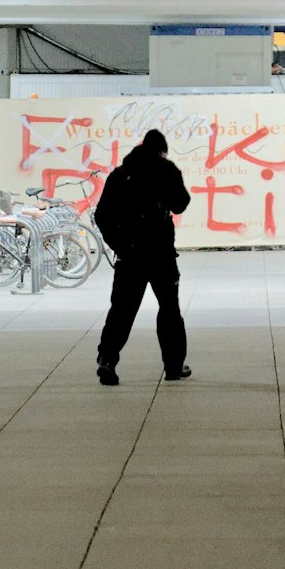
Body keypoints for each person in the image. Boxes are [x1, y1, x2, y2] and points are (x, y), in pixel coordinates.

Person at [93, 129, 192, 386]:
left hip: (130, 255)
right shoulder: (167, 170)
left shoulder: (119, 175)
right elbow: (181, 203)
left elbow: (102, 215)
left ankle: (107, 359)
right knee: (169, 309)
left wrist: (119, 243)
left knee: (122, 311)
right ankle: (173, 365)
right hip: (160, 254)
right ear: (162, 150)